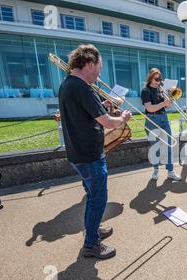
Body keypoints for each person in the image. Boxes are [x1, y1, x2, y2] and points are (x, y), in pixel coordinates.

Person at [59, 44, 132, 259]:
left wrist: (102, 106)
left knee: (92, 196)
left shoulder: (68, 85)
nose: (100, 73)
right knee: (98, 199)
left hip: (77, 153)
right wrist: (123, 118)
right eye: (99, 68)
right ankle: (91, 244)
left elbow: (84, 113)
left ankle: (93, 229)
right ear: (90, 64)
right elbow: (109, 123)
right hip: (89, 155)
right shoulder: (83, 88)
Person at [141, 68, 182, 181]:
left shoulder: (160, 90)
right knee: (155, 147)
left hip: (164, 118)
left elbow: (168, 106)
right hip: (152, 119)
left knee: (169, 145)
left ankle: (170, 171)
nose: (158, 81)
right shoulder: (145, 91)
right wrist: (164, 103)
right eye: (156, 79)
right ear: (150, 78)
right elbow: (149, 108)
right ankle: (156, 170)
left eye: (160, 79)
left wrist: (166, 94)